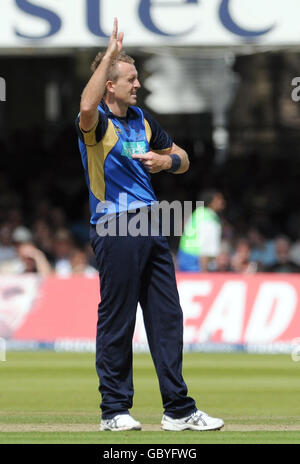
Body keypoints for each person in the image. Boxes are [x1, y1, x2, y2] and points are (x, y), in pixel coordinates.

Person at [75, 18, 224, 432]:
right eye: (130, 78)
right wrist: (108, 55)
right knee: (118, 319)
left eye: (137, 78)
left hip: (152, 224)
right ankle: (114, 411)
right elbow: (85, 106)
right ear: (109, 83)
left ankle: (177, 409)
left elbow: (184, 158)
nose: (138, 84)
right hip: (115, 225)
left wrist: (165, 161)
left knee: (166, 317)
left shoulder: (141, 119)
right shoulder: (96, 122)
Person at [177, 190, 225, 272]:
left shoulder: (199, 213)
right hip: (195, 260)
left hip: (184, 255)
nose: (222, 201)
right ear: (211, 202)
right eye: (218, 199)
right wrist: (205, 271)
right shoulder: (209, 219)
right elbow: (206, 246)